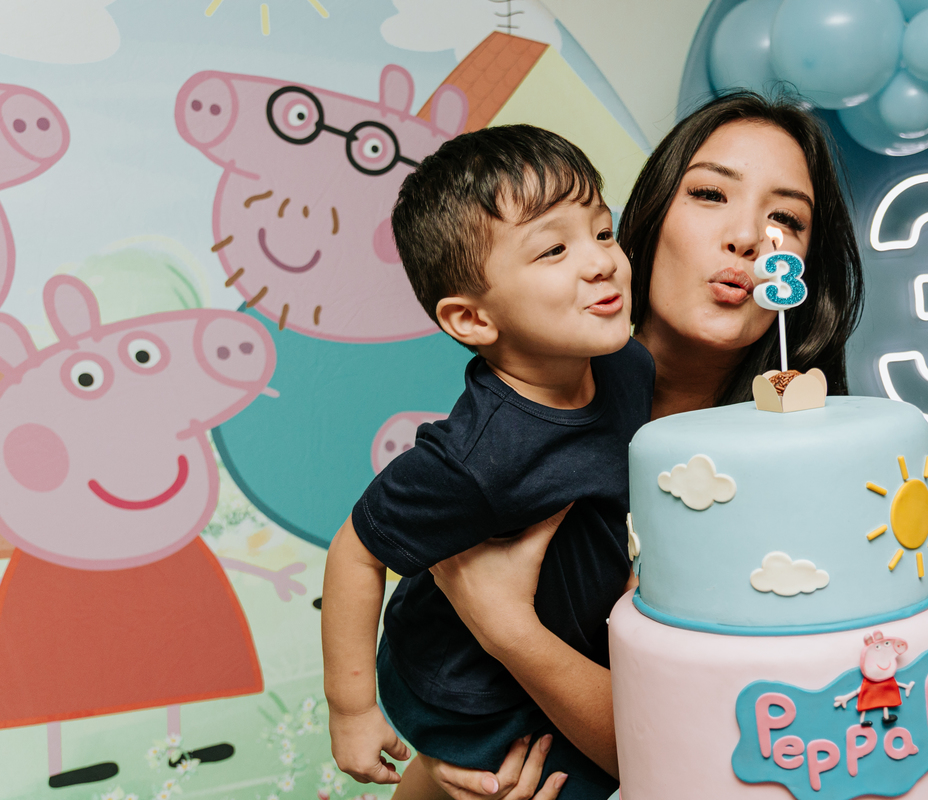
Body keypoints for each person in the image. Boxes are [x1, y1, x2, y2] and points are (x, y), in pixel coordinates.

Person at [413, 91, 864, 800]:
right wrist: (454, 765)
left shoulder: (797, 475)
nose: (748, 238)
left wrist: (508, 628)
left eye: (787, 218)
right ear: (647, 216)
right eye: (710, 194)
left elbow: (713, 757)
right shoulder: (524, 416)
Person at [321, 125, 654, 800]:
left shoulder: (627, 364)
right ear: (473, 320)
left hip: (566, 638)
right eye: (554, 248)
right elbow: (355, 550)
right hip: (467, 691)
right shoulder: (476, 458)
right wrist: (351, 711)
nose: (600, 261)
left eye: (602, 231)